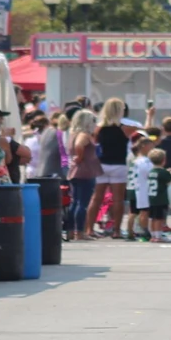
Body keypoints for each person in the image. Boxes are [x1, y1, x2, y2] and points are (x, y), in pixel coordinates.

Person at [88, 98, 131, 237]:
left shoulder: (99, 128)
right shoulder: (124, 128)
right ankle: (116, 230)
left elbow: (94, 143)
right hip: (118, 164)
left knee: (96, 198)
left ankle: (89, 229)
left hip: (102, 164)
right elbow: (145, 132)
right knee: (118, 199)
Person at [66, 109, 101, 241]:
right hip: (84, 170)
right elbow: (79, 145)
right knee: (82, 203)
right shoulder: (83, 135)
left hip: (76, 170)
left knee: (75, 202)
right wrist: (80, 157)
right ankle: (79, 232)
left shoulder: (73, 133)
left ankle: (71, 231)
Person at [145, 148, 171, 242]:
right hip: (160, 199)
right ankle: (158, 236)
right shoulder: (163, 172)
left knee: (153, 218)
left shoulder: (151, 171)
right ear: (163, 160)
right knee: (159, 218)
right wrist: (170, 173)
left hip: (151, 198)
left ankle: (153, 235)